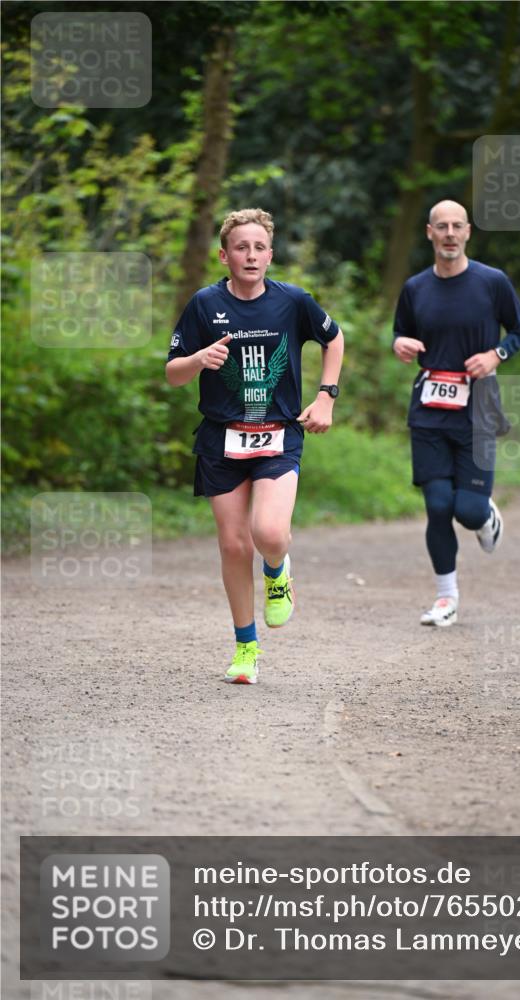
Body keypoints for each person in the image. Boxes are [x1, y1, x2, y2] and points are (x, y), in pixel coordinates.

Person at [166, 208, 344, 683]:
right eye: (241, 248)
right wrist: (199, 359)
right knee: (232, 543)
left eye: (259, 247)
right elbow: (172, 373)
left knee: (268, 533)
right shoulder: (204, 304)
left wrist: (326, 397)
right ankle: (246, 648)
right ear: (224, 255)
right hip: (221, 440)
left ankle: (278, 569)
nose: (250, 255)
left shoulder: (293, 301)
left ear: (270, 254)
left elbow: (334, 338)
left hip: (278, 434)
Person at [392, 199, 520, 627]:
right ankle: (445, 597)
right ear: (429, 234)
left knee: (466, 510)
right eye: (441, 227)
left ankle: (486, 515)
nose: (449, 233)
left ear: (468, 232)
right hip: (430, 410)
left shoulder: (492, 282)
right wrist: (400, 344)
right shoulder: (416, 287)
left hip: (479, 410)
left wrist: (496, 353)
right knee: (437, 505)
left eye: (457, 226)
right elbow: (402, 333)